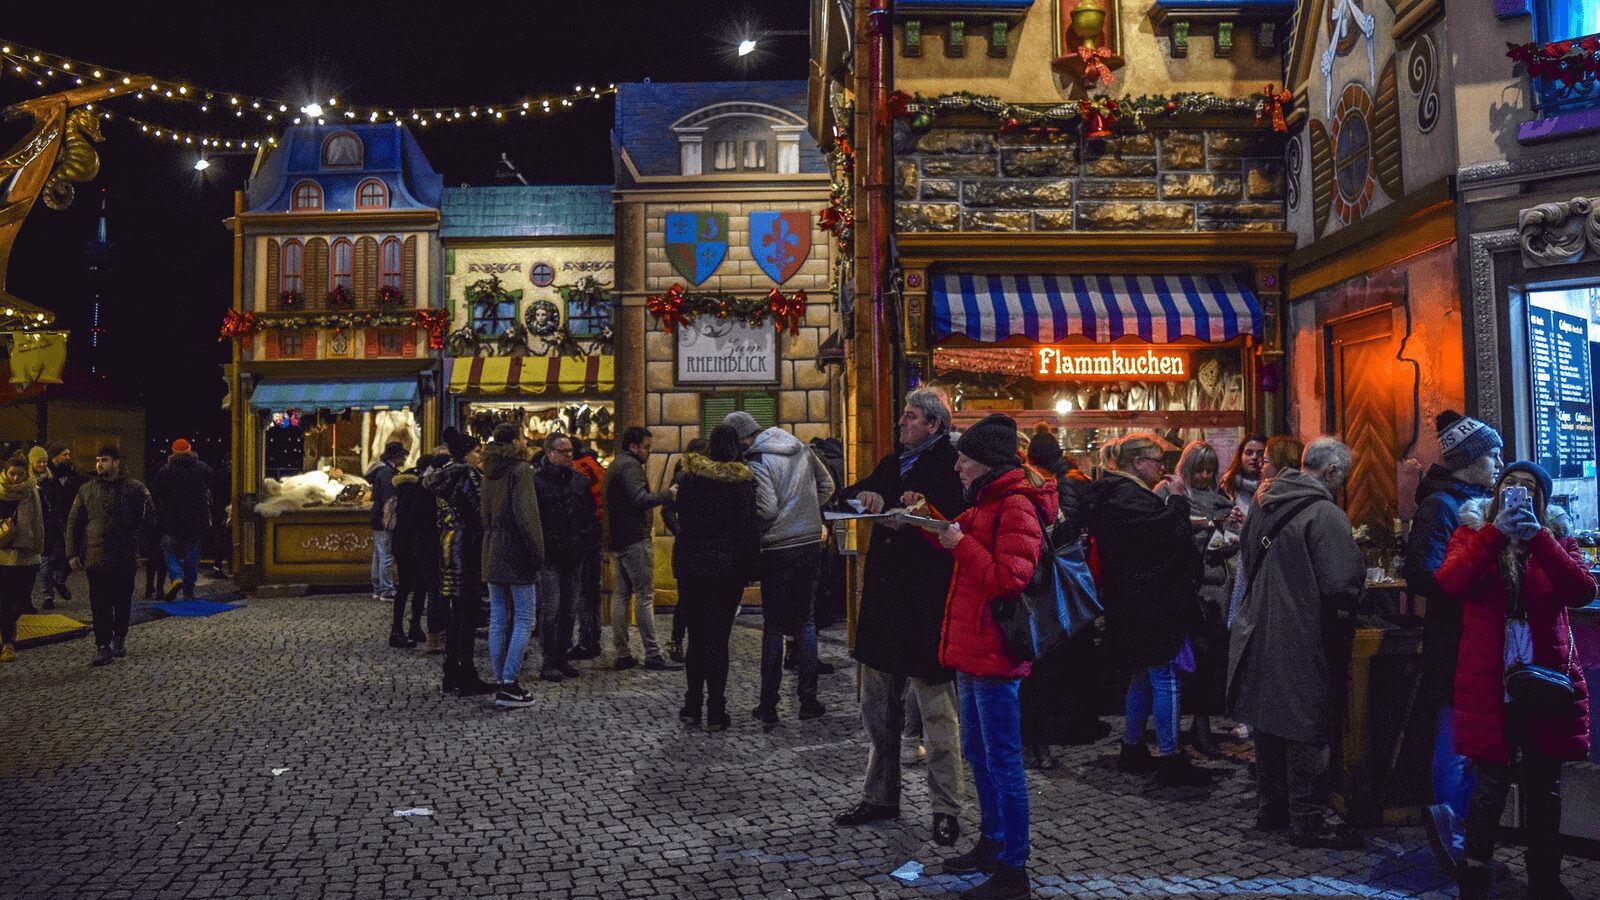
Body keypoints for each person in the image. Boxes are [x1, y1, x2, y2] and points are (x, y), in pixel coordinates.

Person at [1436, 461, 1593, 899]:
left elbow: (1582, 591)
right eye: (1510, 485)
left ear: (1541, 502)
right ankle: (1476, 875)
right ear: (1497, 493)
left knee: (1545, 787)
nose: (1518, 493)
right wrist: (1497, 535)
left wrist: (1538, 538)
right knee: (1491, 784)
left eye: (1529, 489)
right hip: (1491, 681)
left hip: (1546, 680)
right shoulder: (1471, 533)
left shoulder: (1557, 537)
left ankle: (1545, 879)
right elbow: (1450, 582)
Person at [833, 388, 969, 846]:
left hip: (925, 603)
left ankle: (946, 808)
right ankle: (880, 796)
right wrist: (866, 495)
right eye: (902, 417)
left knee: (937, 714)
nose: (901, 424)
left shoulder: (952, 464)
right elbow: (847, 496)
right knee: (877, 711)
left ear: (933, 424)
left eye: (910, 418)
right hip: (884, 605)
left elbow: (957, 519)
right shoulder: (894, 464)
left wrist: (915, 516)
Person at [928, 413, 1052, 900]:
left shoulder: (1016, 505)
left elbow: (1008, 579)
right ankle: (992, 841)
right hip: (973, 651)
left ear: (985, 463)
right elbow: (961, 539)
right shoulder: (984, 502)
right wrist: (923, 518)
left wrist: (959, 546)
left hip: (998, 654)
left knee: (1003, 761)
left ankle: (1014, 867)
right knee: (978, 753)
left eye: (964, 459)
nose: (957, 466)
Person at [1228, 437, 1366, 849]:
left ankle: (1271, 808)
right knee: (1307, 725)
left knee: (1268, 722)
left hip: (1259, 624)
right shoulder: (1324, 513)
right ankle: (1307, 819)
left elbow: (1248, 559)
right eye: (1345, 475)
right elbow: (1340, 582)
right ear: (1332, 473)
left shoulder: (1265, 499)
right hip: (1302, 629)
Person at [1404, 411, 1502, 876]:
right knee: (1455, 736)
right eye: (1491, 453)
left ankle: (1465, 831)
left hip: (1476, 636)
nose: (1500, 461)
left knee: (1471, 737)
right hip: (1452, 636)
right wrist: (1474, 578)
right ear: (1468, 460)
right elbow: (1422, 573)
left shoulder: (1481, 500)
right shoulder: (1440, 506)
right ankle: (1449, 833)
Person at [1088, 432, 1210, 786]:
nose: (1161, 468)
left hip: (1133, 602)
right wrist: (1177, 500)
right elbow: (1166, 535)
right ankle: (1170, 756)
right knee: (1165, 676)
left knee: (1141, 675)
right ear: (1138, 463)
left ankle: (1133, 746)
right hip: (1152, 604)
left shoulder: (1118, 495)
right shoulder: (1127, 498)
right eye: (1158, 461)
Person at [723, 411, 835, 723]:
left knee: (773, 625)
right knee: (806, 623)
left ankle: (768, 704)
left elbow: (768, 508)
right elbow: (827, 486)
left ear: (742, 437)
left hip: (778, 547)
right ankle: (808, 701)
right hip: (810, 542)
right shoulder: (799, 447)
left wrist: (756, 528)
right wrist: (808, 512)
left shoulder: (757, 460)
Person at [1019, 431, 1106, 764]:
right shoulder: (1070, 478)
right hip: (1067, 579)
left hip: (1058, 582)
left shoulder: (1059, 484)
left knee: (1055, 659)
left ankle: (1062, 729)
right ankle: (1067, 727)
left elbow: (1063, 531)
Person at [671, 425, 762, 732]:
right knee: (717, 639)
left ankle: (692, 704)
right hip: (726, 570)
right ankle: (716, 711)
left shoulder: (689, 479)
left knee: (695, 637)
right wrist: (752, 569)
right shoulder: (741, 484)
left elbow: (679, 516)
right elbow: (749, 531)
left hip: (690, 566)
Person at [1157, 441, 1241, 758]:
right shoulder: (1171, 495)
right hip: (1182, 588)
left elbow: (1235, 540)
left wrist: (1232, 539)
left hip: (1214, 590)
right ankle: (1173, 728)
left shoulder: (1222, 500)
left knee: (1208, 662)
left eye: (1210, 470)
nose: (1205, 476)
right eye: (1199, 470)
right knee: (1179, 662)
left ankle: (1201, 725)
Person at [67, 445, 155, 667]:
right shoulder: (86, 490)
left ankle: (119, 636)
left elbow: (149, 518)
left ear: (115, 462)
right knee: (99, 602)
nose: (99, 464)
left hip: (124, 554)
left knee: (122, 600)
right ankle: (102, 645)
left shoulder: (134, 489)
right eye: (98, 460)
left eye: (104, 460)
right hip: (96, 556)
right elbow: (74, 522)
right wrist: (72, 552)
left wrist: (136, 541)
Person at [604, 426, 680, 672]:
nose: (649, 452)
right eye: (646, 447)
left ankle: (623, 652)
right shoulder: (630, 466)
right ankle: (652, 653)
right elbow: (639, 499)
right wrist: (668, 494)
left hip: (618, 539)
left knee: (621, 595)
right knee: (645, 595)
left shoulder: (617, 464)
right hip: (633, 539)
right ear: (634, 446)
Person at [426, 427, 495, 696]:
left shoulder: (441, 477)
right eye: (477, 451)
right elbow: (481, 511)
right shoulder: (467, 476)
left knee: (457, 613)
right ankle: (466, 673)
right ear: (466, 454)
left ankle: (451, 671)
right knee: (467, 612)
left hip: (448, 545)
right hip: (467, 547)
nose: (480, 456)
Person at [479, 425, 545, 708]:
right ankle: (509, 683)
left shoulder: (488, 470)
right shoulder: (520, 471)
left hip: (492, 547)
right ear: (517, 441)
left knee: (497, 617)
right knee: (524, 618)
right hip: (516, 549)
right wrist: (537, 554)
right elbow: (527, 517)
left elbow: (483, 513)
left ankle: (500, 680)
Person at [534, 432, 594, 683]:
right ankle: (549, 661)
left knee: (570, 610)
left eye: (570, 451)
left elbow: (588, 514)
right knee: (551, 610)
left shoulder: (579, 481)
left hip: (575, 553)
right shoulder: (537, 482)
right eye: (563, 451)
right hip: (550, 555)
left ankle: (562, 657)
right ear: (549, 453)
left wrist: (585, 540)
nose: (569, 455)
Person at [661, 437, 709, 663]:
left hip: (699, 546)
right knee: (687, 599)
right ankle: (677, 641)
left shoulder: (710, 477)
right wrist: (682, 531)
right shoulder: (682, 478)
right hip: (688, 547)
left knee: (694, 599)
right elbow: (667, 511)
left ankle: (690, 642)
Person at [150, 438, 215, 601]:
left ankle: (176, 576)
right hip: (196, 520)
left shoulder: (166, 470)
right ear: (190, 450)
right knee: (192, 554)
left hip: (172, 520)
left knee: (168, 550)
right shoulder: (203, 468)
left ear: (173, 452)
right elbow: (212, 482)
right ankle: (189, 590)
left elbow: (156, 492)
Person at [389, 450, 441, 648]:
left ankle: (406, 628)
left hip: (403, 542)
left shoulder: (406, 484)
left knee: (410, 587)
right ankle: (403, 628)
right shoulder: (419, 487)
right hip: (412, 543)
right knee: (415, 587)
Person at [0, 453, 46, 662]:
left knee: (21, 599)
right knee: (5, 599)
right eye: (12, 474)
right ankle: (8, 642)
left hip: (28, 555)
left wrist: (40, 546)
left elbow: (39, 521)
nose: (15, 479)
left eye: (19, 474)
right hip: (3, 554)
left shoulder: (32, 492)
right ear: (5, 472)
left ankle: (8, 625)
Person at [568, 440, 607, 661]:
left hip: (584, 536)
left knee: (584, 591)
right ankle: (594, 640)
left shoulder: (579, 470)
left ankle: (586, 641)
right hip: (596, 533)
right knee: (593, 590)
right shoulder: (594, 465)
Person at [38, 443, 83, 606]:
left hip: (67, 519)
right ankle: (47, 597)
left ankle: (60, 577)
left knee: (73, 552)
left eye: (69, 454)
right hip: (49, 521)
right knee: (47, 558)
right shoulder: (47, 475)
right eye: (65, 454)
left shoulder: (71, 474)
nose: (68, 457)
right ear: (55, 456)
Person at [366, 441, 406, 603]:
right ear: (396, 457)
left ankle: (377, 587)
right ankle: (387, 590)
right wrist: (390, 521)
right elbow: (390, 500)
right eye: (402, 456)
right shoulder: (388, 474)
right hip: (384, 518)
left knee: (379, 554)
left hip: (377, 516)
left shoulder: (380, 471)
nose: (404, 459)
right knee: (386, 555)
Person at [28, 446, 60, 612]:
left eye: (44, 461)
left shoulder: (50, 482)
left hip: (47, 527)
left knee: (46, 563)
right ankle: (26, 598)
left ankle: (47, 595)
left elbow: (55, 505)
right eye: (39, 461)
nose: (42, 464)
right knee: (30, 565)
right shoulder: (27, 482)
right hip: (30, 528)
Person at [1221, 435, 1267, 517]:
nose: (1254, 457)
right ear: (1240, 456)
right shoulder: (1227, 484)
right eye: (1249, 453)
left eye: (1260, 454)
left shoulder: (1271, 488)